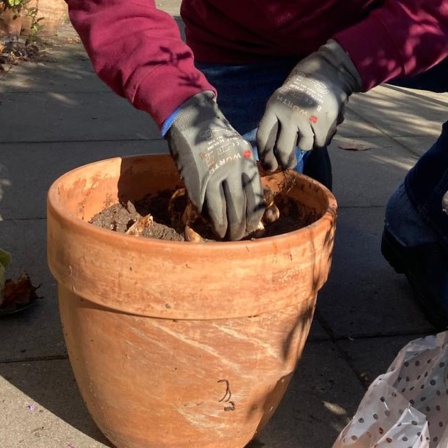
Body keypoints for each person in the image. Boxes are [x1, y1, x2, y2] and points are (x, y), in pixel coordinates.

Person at [65, 1, 448, 328]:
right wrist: (182, 106)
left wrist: (343, 65)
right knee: (233, 225)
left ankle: (419, 213)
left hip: (395, 15)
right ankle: (302, 158)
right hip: (244, 38)